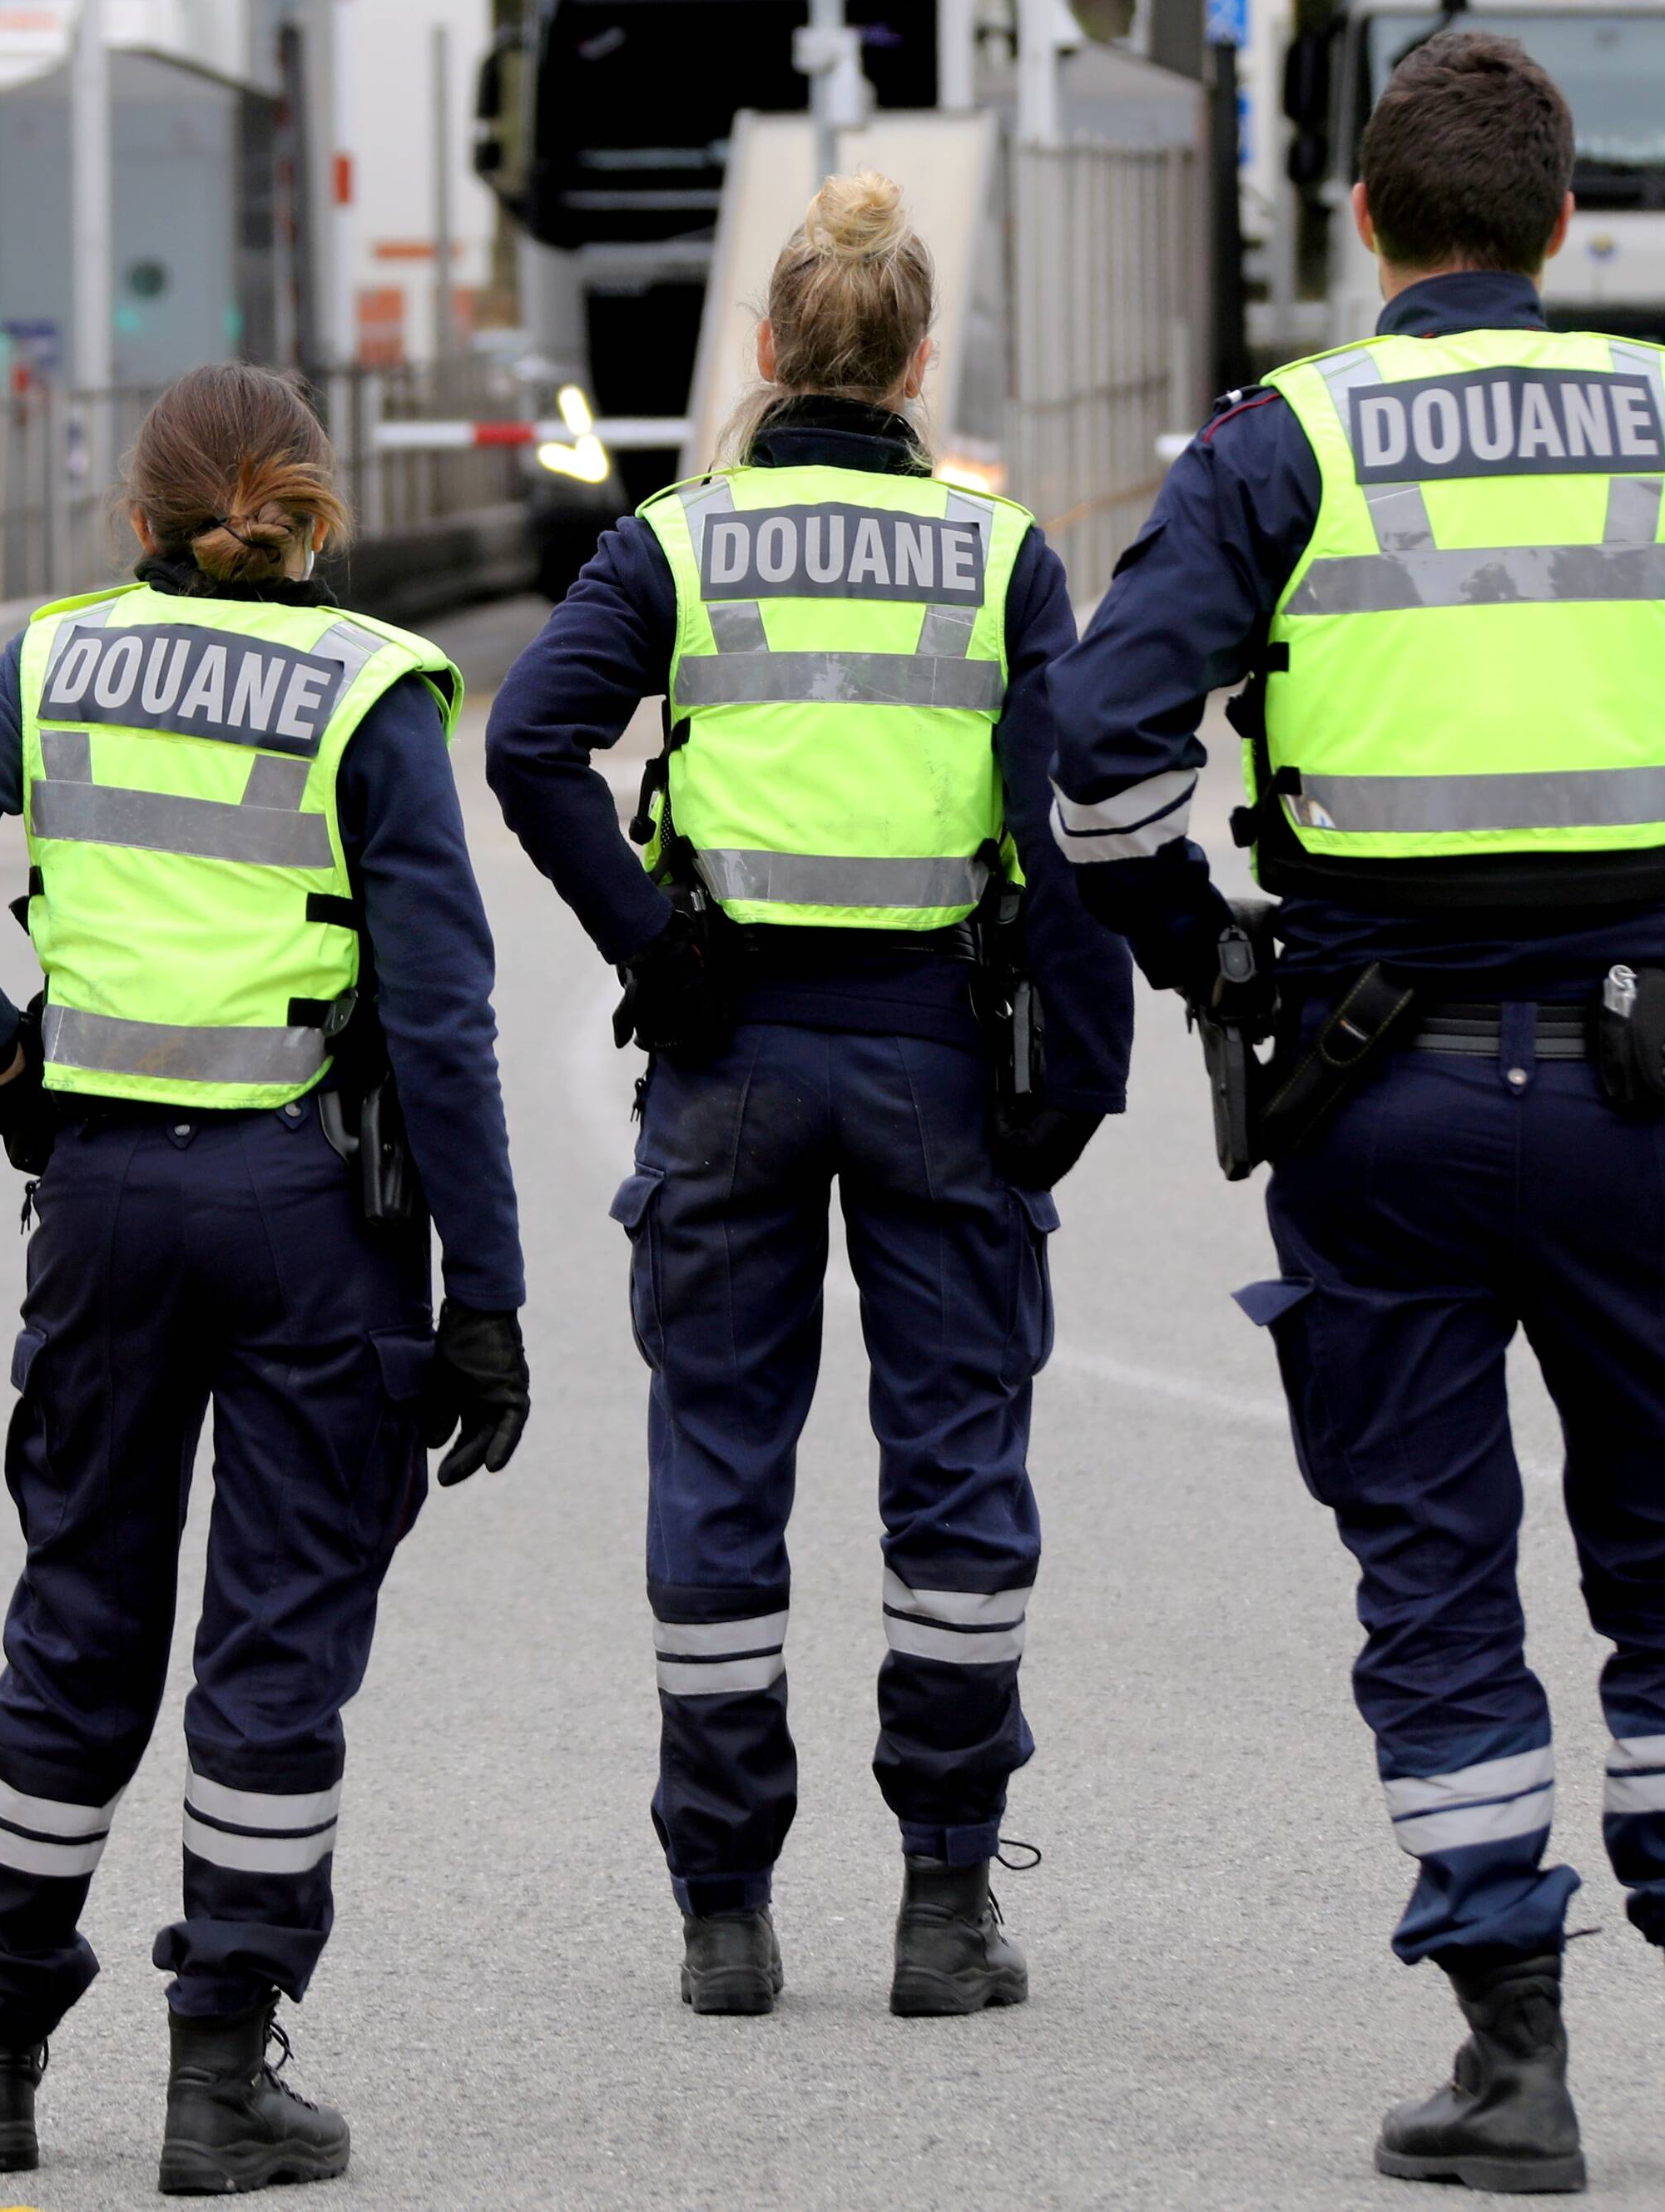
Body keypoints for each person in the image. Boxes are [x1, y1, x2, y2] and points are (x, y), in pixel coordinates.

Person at [1048, 33, 1665, 2190]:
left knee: (1438, 1572)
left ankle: (1510, 2061)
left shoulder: (1286, 443)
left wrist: (1212, 955)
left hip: (1375, 1094)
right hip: (1641, 1079)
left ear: (1370, 224)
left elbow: (1098, 761)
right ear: (1564, 228)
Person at [0, 362, 530, 2194]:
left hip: (102, 1209)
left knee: (79, 1619)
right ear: (313, 509)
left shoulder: (54, 659)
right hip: (313, 1219)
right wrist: (489, 1294)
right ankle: (219, 2086)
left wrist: (3, 1057)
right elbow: (445, 1022)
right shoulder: (367, 691)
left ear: (134, 517)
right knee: (274, 1649)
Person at [486, 169, 1134, 2021]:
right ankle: (942, 1906)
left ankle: (723, 1912)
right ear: (917, 358)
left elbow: (527, 741)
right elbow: (1065, 827)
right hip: (938, 1051)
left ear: (767, 350)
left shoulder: (674, 544)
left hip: (730, 1061)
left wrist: (648, 940)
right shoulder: (997, 557)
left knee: (718, 1474)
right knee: (955, 1490)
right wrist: (1070, 1078)